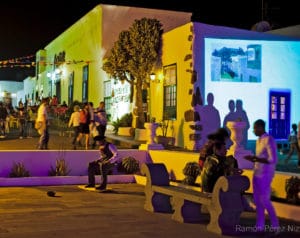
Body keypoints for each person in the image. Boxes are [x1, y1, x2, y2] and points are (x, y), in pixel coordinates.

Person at [244, 119, 279, 232]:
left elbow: (272, 159)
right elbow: (259, 157)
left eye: (254, 128)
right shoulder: (258, 140)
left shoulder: (269, 139)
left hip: (265, 175)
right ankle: (260, 226)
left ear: (260, 127)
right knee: (257, 201)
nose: (253, 130)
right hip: (257, 173)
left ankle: (275, 226)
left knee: (265, 200)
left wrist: (256, 158)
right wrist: (253, 159)